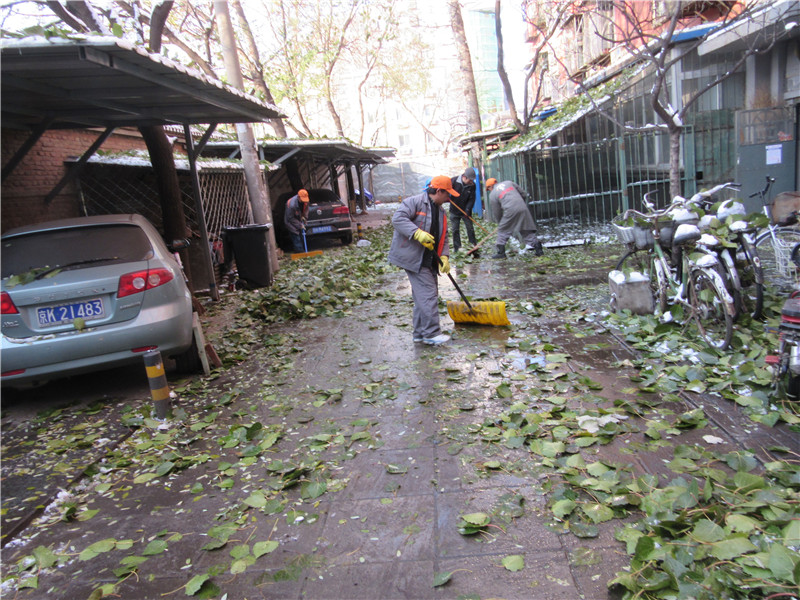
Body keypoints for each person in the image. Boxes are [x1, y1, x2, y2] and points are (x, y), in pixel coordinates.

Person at [388, 175, 457, 345]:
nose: (448, 198)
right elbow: (397, 219)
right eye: (447, 194)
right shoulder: (414, 202)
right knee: (428, 294)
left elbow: (444, 237)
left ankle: (420, 333)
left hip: (430, 258)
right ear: (439, 191)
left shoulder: (441, 212)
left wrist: (444, 257)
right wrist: (416, 233)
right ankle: (431, 333)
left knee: (422, 296)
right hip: (413, 257)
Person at [485, 178, 543, 259]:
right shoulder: (509, 182)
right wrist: (518, 203)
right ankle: (538, 247)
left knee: (503, 230)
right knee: (524, 229)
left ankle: (501, 252)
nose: (489, 191)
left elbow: (497, 211)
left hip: (509, 210)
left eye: (488, 189)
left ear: (490, 187)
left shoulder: (492, 194)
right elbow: (524, 194)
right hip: (522, 207)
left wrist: (500, 223)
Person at [449, 167, 478, 252]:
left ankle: (473, 246)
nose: (471, 182)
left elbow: (472, 199)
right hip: (454, 210)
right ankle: (457, 249)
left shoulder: (472, 186)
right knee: (455, 230)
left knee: (470, 228)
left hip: (466, 211)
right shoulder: (453, 181)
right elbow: (447, 192)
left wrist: (467, 210)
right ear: (464, 177)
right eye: (470, 180)